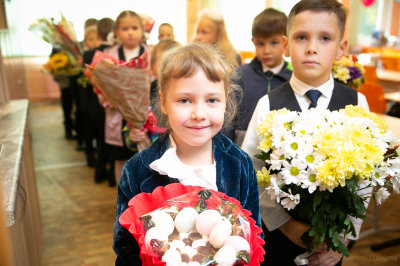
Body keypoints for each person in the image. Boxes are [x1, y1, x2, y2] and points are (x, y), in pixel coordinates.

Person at [242, 1, 371, 265]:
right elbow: (252, 173)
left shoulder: (357, 104)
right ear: (287, 45)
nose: (312, 47)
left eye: (325, 38)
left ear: (341, 49)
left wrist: (343, 238)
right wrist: (287, 226)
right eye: (302, 37)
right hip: (279, 238)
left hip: (333, 243)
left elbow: (365, 181)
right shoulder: (267, 105)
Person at [112, 43, 262, 265]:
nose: (199, 114)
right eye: (184, 100)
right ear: (163, 102)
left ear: (225, 101)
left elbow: (253, 234)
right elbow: (125, 248)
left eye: (212, 100)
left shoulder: (239, 164)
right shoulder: (138, 170)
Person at [224, 8, 292, 146]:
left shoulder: (294, 77)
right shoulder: (239, 75)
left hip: (284, 147)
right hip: (242, 147)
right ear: (253, 42)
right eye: (260, 44)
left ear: (285, 43)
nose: (266, 50)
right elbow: (228, 119)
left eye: (274, 43)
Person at [103, 11, 151, 185]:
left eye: (134, 28)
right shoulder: (109, 55)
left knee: (146, 158)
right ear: (116, 32)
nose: (130, 32)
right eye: (125, 28)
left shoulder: (150, 53)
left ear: (142, 30)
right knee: (120, 158)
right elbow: (102, 87)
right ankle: (120, 196)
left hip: (145, 116)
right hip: (119, 116)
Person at [82, 17, 115, 184]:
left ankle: (99, 172)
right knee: (111, 143)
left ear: (98, 33)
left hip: (93, 105)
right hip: (110, 105)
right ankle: (109, 175)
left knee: (101, 141)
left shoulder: (88, 53)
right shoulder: (114, 53)